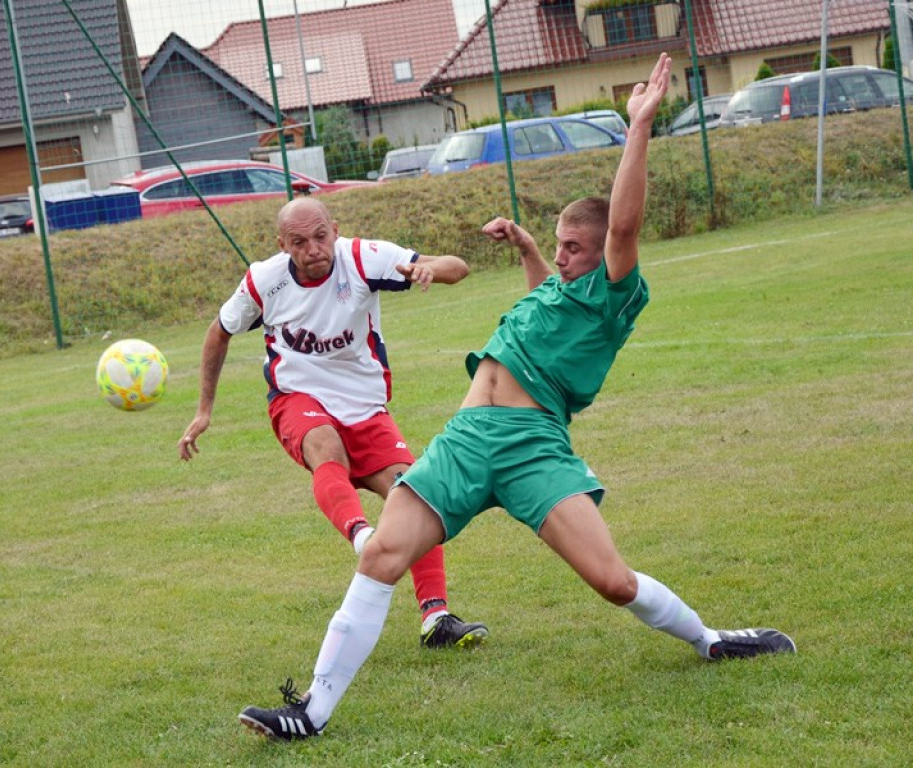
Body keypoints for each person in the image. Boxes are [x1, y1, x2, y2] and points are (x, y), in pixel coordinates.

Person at [237, 53, 796, 742]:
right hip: (469, 440)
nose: (562, 257)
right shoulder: (557, 290)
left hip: (534, 449)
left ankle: (710, 638)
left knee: (613, 582)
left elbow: (621, 228)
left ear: (601, 258)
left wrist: (639, 128)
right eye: (557, 245)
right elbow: (543, 291)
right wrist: (531, 244)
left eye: (572, 248)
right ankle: (311, 713)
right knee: (382, 555)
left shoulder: (615, 295)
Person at [178, 196, 489, 650]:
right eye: (299, 241)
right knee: (325, 444)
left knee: (418, 496)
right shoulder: (265, 281)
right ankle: (364, 538)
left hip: (365, 408)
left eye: (321, 236)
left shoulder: (364, 258)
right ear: (282, 244)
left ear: (335, 230)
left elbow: (457, 266)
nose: (313, 249)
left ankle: (436, 619)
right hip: (297, 398)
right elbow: (219, 331)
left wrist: (430, 269)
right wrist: (204, 410)